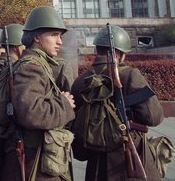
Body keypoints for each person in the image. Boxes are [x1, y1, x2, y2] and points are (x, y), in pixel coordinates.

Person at [70, 25, 165, 181]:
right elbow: (154, 117)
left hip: (96, 164)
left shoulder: (80, 82)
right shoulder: (130, 75)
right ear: (119, 54)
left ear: (97, 50)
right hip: (128, 159)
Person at [1, 6, 76, 181]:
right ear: (36, 37)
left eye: (60, 36)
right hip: (35, 161)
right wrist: (64, 104)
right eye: (53, 35)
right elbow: (31, 112)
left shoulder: (38, 65)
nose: (60, 42)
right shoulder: (32, 68)